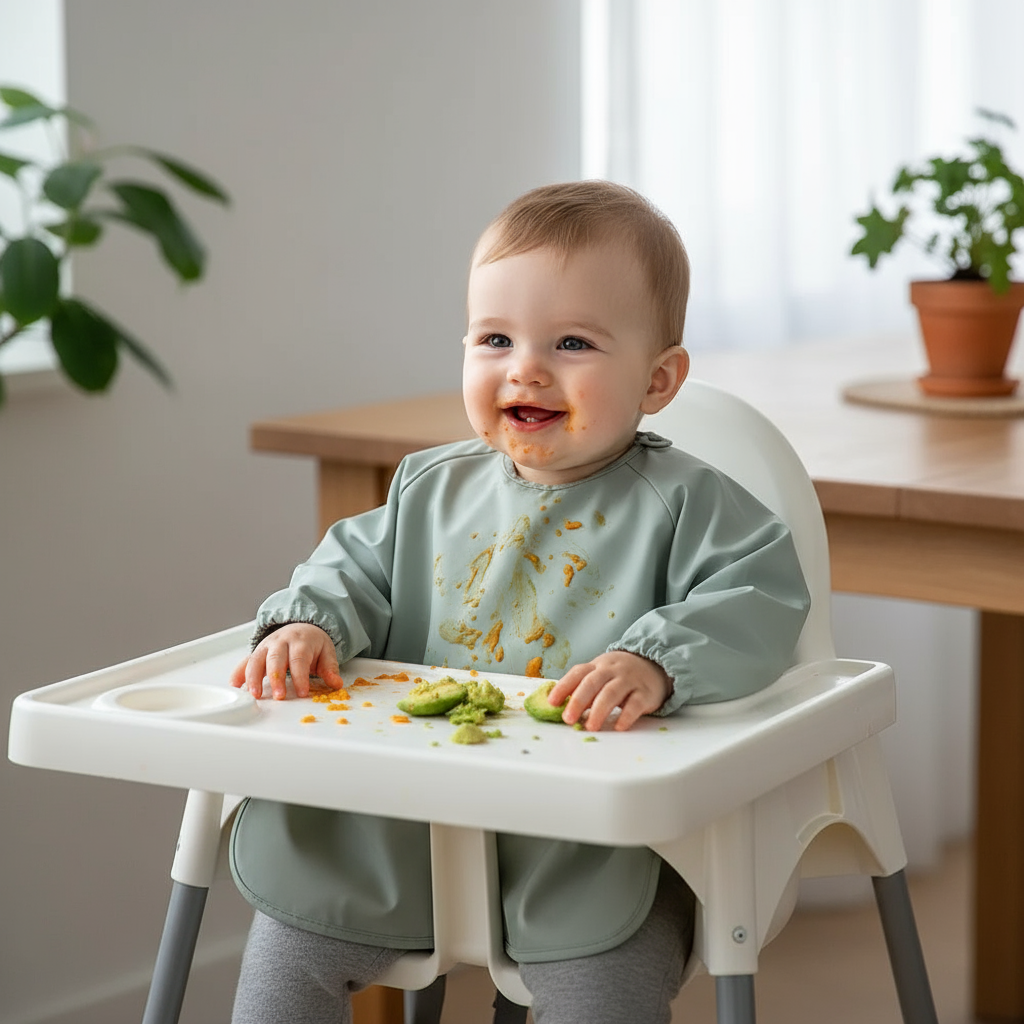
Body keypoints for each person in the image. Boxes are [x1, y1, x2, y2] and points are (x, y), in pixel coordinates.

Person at [228, 180, 811, 1024]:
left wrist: (657, 661)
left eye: (572, 341)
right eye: (495, 338)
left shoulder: (693, 504)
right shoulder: (429, 487)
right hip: (398, 831)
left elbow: (758, 596)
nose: (525, 368)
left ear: (658, 379)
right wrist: (306, 623)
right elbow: (350, 568)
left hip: (595, 851)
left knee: (608, 984)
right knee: (287, 953)